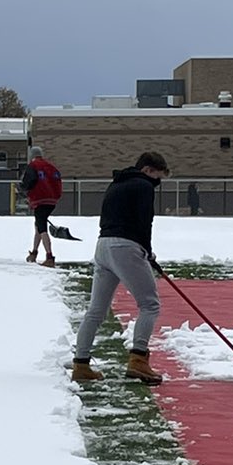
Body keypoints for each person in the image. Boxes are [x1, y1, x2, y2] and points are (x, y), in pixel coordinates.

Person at [71, 151, 168, 386]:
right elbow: (145, 221)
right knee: (149, 304)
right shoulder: (143, 186)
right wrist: (146, 249)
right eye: (157, 176)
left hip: (103, 246)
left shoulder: (116, 184)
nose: (157, 182)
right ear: (147, 170)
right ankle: (138, 360)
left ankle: (81, 364)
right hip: (126, 246)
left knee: (96, 310)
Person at [18, 145, 64, 266]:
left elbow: (29, 181)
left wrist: (23, 188)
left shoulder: (33, 166)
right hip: (52, 200)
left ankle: (49, 257)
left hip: (40, 200)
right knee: (38, 224)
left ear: (31, 156)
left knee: (42, 228)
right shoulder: (51, 167)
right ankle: (34, 253)